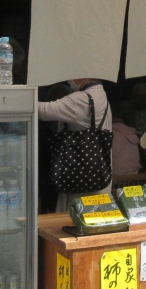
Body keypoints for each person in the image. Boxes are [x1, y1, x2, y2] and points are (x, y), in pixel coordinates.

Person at [38, 78, 112, 214]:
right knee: (95, 216)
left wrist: (14, 99)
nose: (70, 81)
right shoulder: (100, 94)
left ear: (85, 76)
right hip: (98, 173)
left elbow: (43, 110)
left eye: (73, 77)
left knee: (76, 217)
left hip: (80, 176)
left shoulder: (81, 99)